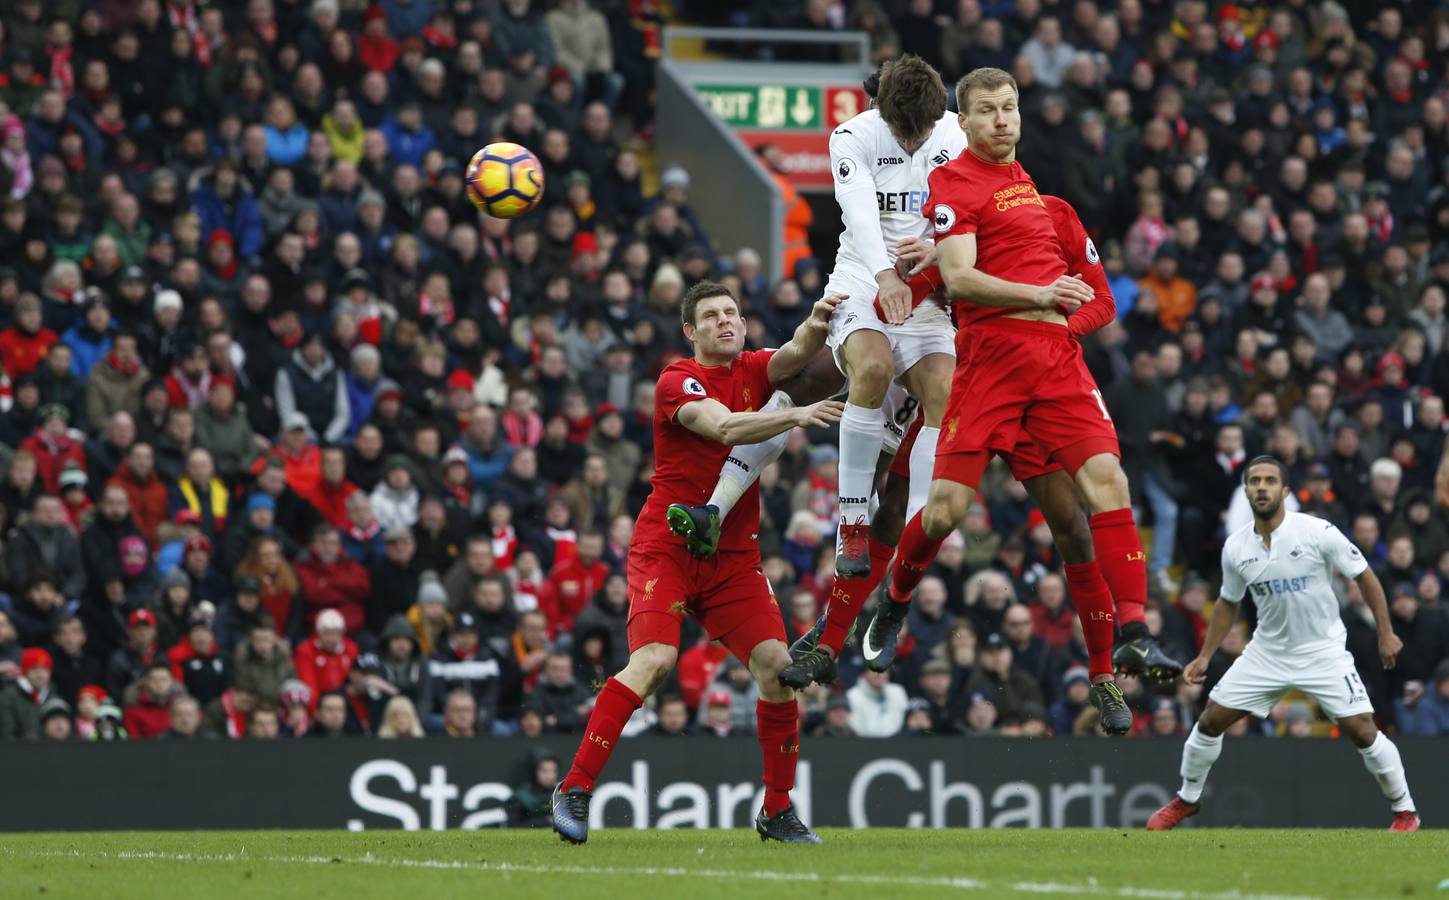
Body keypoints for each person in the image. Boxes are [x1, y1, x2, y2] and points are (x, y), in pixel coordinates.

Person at [881, 66, 1178, 711]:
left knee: (1095, 500)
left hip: (1055, 364)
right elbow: (956, 281)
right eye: (987, 110)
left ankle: (1127, 639)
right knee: (943, 516)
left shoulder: (1051, 208)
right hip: (989, 368)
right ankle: (895, 597)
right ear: (964, 121)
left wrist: (1058, 315)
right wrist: (910, 282)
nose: (1002, 118)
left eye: (1009, 107)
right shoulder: (954, 185)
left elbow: (1099, 300)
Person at [551, 280, 843, 846]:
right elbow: (726, 427)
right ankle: (575, 787)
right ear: (691, 331)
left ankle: (776, 812)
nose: (725, 323)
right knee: (655, 661)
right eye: (711, 317)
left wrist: (816, 319)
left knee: (778, 672)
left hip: (733, 555)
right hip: (670, 544)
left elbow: (794, 354)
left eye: (731, 313)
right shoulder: (675, 380)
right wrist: (796, 415)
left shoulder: (756, 367)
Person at [667, 57, 960, 584]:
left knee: (912, 442)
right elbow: (860, 215)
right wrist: (885, 277)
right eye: (903, 130)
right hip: (868, 276)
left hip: (932, 288)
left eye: (924, 131)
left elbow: (977, 212)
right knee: (816, 379)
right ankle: (818, 520)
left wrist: (939, 251)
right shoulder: (853, 135)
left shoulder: (956, 132)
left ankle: (910, 554)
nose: (914, 143)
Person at [1147, 457, 1420, 832]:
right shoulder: (1236, 548)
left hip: (1322, 652)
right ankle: (1187, 800)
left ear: (1285, 491)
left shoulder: (1317, 531)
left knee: (1362, 730)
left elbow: (1365, 576)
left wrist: (1385, 632)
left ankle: (1405, 812)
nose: (1261, 487)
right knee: (1210, 720)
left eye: (1270, 481)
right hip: (1268, 653)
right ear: (1246, 492)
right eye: (1254, 481)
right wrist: (1206, 655)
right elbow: (1228, 601)